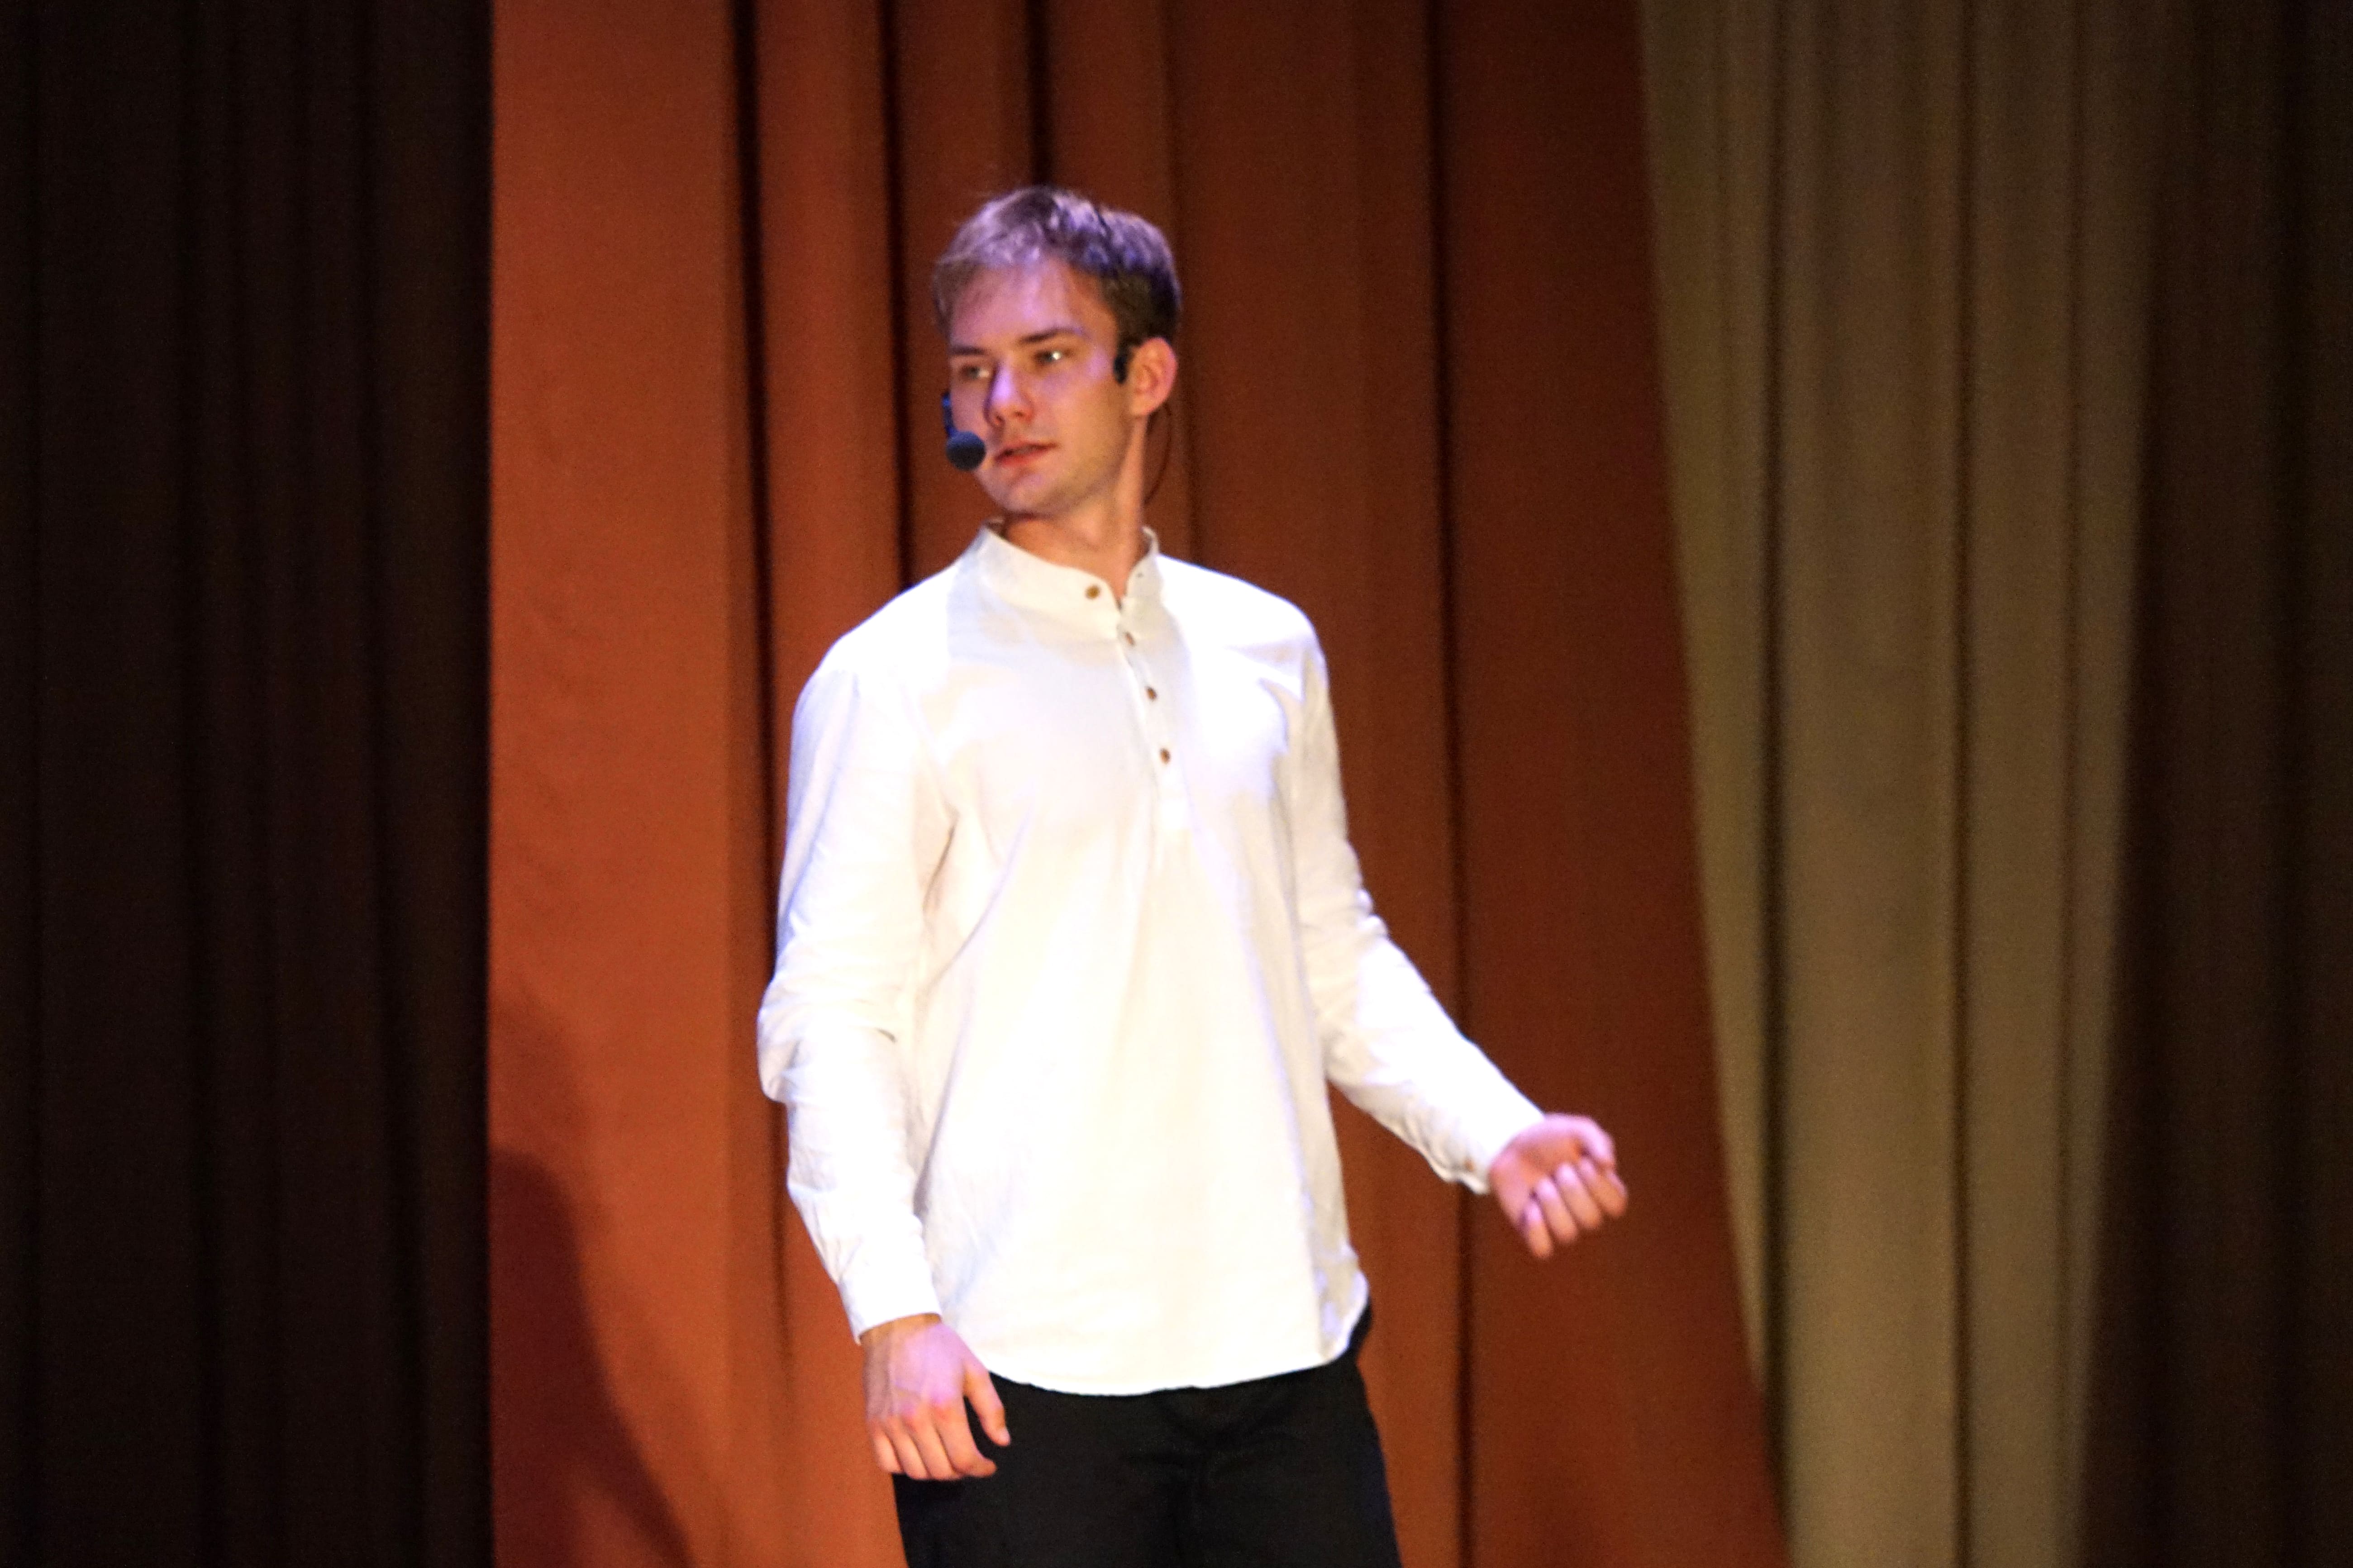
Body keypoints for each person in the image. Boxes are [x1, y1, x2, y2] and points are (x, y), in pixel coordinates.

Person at [756, 186, 1628, 1568]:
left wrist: (1495, 1128)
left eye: (1049, 357)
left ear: (1146, 374)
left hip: (1284, 1353)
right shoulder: (893, 678)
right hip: (1023, 1373)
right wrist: (893, 1310)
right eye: (975, 370)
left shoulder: (1265, 647)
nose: (1005, 402)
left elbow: (1330, 951)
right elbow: (833, 1017)